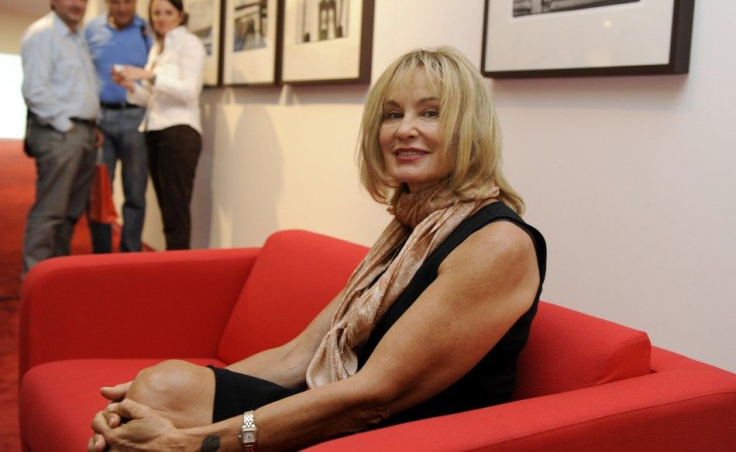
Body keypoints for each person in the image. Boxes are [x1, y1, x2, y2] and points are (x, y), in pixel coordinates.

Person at [89, 47, 547, 451]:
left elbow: (374, 396)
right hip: (340, 404)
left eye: (430, 113)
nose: (405, 129)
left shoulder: (497, 243)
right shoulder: (412, 226)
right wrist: (145, 401)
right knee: (158, 387)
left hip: (399, 434)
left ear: (469, 128)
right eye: (392, 114)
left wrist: (193, 443)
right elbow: (298, 355)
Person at [20, 0, 102, 276]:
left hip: (82, 133)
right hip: (58, 134)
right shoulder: (43, 34)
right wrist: (66, 125)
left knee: (69, 213)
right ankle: (33, 280)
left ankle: (53, 277)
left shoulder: (77, 37)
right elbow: (35, 90)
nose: (77, 4)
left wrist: (89, 126)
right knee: (51, 212)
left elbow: (77, 88)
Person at [112, 0, 205, 250]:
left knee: (176, 210)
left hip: (180, 133)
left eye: (168, 12)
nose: (161, 18)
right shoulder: (157, 47)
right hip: (155, 131)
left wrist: (149, 75)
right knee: (166, 208)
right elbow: (152, 100)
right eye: (156, 13)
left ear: (181, 15)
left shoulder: (189, 44)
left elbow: (189, 92)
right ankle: (172, 267)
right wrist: (131, 85)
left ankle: (179, 271)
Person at [85, 0, 152, 253]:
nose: (123, 8)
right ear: (106, 1)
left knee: (135, 193)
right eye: (116, 2)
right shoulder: (91, 30)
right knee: (99, 193)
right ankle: (101, 257)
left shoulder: (146, 32)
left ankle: (130, 255)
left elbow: (154, 77)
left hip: (136, 118)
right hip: (100, 121)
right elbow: (83, 75)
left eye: (128, 1)